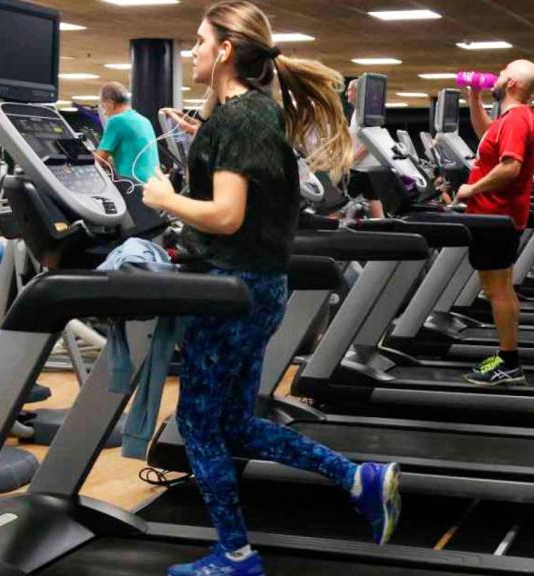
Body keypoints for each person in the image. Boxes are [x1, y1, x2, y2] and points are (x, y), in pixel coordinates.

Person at [146, 3, 399, 574]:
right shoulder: (254, 113)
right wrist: (202, 129)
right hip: (257, 289)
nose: (192, 51)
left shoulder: (241, 119)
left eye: (199, 41)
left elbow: (227, 215)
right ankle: (355, 477)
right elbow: (238, 163)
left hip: (225, 291)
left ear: (226, 50)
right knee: (234, 422)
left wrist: (164, 199)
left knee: (198, 424)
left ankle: (234, 554)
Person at [453, 59, 534, 386]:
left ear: (513, 84)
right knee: (500, 288)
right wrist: (474, 99)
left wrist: (471, 188)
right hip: (497, 215)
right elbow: (486, 133)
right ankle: (508, 356)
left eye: (504, 72)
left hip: (494, 216)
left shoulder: (517, 119)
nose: (498, 75)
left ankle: (510, 361)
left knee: (497, 291)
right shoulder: (513, 118)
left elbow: (511, 167)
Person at [94, 81, 160, 183]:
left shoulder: (116, 120)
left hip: (134, 185)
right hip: (154, 184)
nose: (105, 113)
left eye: (104, 107)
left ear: (110, 103)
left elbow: (98, 160)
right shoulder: (144, 120)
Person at [344, 79, 385, 218]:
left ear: (357, 92)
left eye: (349, 90)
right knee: (373, 204)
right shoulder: (357, 113)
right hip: (362, 168)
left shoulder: (364, 113)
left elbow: (368, 143)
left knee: (337, 202)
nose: (346, 93)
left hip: (365, 168)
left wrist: (350, 160)